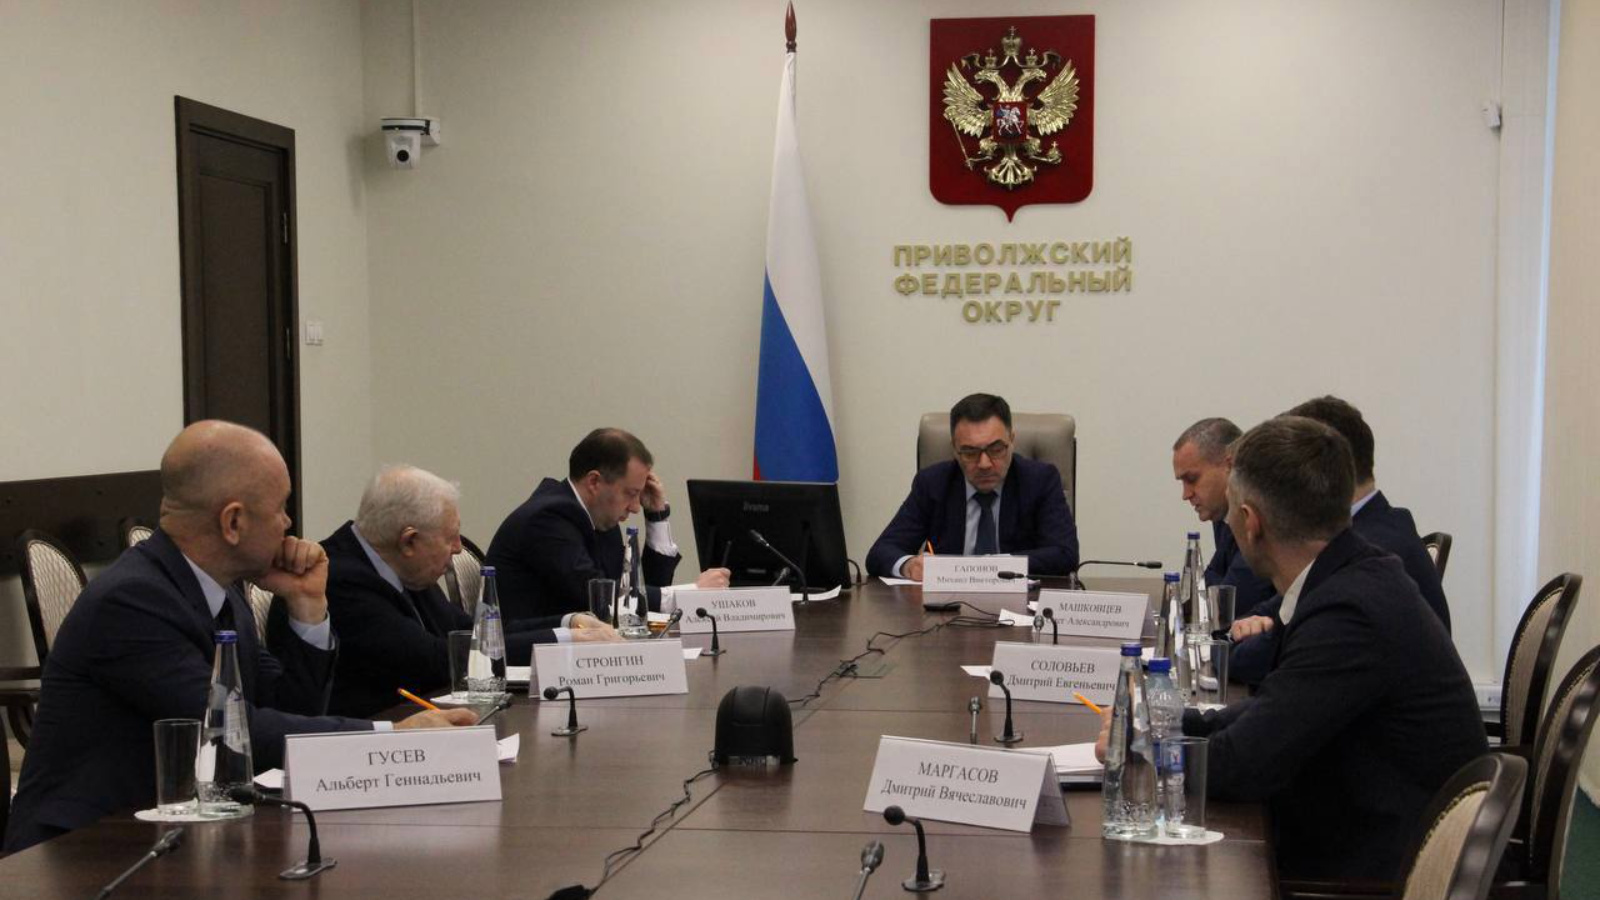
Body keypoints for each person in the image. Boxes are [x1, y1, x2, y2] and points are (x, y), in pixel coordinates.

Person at [4, 422, 476, 852]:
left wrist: (308, 607)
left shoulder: (221, 590)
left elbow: (285, 707)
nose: (289, 524)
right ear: (233, 522)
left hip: (177, 832)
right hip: (84, 850)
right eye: (281, 508)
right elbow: (233, 733)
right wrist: (392, 736)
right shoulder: (132, 601)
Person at [1100, 416, 1486, 881]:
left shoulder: (1349, 613)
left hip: (1373, 869)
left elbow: (1244, 765)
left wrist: (1142, 750)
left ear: (1250, 523)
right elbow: (1272, 709)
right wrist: (1166, 721)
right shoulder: (1350, 575)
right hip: (1366, 829)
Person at [304, 465, 620, 718]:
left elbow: (474, 632)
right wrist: (560, 641)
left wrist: (568, 624)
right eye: (451, 537)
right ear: (409, 541)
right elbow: (439, 658)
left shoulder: (401, 563)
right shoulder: (341, 579)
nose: (458, 549)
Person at [1232, 396, 1451, 684]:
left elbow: (1264, 658)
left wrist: (1255, 638)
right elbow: (1274, 610)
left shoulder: (1373, 549)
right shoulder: (1376, 528)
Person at [487, 428, 730, 619]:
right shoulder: (547, 519)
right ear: (594, 482)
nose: (635, 507)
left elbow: (637, 594)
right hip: (525, 659)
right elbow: (600, 597)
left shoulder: (599, 519)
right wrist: (692, 594)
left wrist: (656, 516)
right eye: (630, 493)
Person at [866, 393, 1079, 579]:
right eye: (970, 453)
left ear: (1012, 440)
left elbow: (1065, 554)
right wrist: (909, 565)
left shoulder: (1039, 480)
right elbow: (880, 552)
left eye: (996, 449)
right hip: (948, 606)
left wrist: (991, 566)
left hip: (1019, 605)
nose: (984, 464)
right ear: (954, 449)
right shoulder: (933, 483)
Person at [1171, 417, 1274, 611]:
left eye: (1192, 479)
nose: (1186, 494)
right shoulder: (1221, 513)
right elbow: (1206, 586)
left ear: (1230, 465)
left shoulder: (1261, 513)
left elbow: (1230, 603)